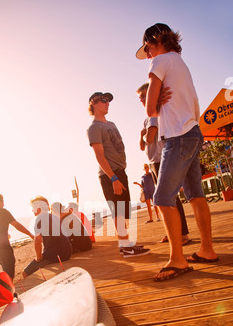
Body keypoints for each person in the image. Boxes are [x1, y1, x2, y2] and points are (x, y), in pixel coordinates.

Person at [136, 23, 218, 281]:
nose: (147, 54)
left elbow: (150, 109)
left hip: (178, 137)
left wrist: (157, 101)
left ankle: (177, 259)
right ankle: (206, 250)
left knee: (162, 199)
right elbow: (194, 103)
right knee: (195, 195)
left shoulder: (160, 62)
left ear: (156, 40)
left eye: (147, 47)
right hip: (193, 131)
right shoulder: (180, 63)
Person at [87, 91, 150, 258]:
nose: (107, 103)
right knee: (117, 212)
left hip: (120, 171)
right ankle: (126, 248)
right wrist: (113, 178)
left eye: (108, 101)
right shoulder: (94, 128)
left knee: (122, 211)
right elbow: (99, 155)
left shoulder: (111, 124)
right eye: (103, 100)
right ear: (93, 103)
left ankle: (126, 245)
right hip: (110, 174)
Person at [136, 82, 191, 245]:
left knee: (169, 198)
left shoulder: (153, 115)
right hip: (154, 160)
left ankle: (183, 235)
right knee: (166, 199)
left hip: (161, 159)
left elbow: (150, 138)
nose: (142, 100)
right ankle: (174, 233)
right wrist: (142, 135)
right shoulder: (147, 118)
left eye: (144, 96)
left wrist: (145, 135)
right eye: (140, 98)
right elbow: (142, 145)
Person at [0, 193, 34, 281]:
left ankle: (8, 288)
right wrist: (30, 234)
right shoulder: (3, 212)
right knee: (9, 272)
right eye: (3, 201)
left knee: (6, 269)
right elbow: (17, 225)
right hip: (3, 247)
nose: (3, 204)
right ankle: (9, 291)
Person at [22, 196, 71, 278]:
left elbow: (37, 241)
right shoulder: (55, 217)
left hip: (55, 255)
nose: (32, 210)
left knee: (25, 273)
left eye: (33, 208)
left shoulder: (39, 219)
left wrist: (38, 258)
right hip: (67, 253)